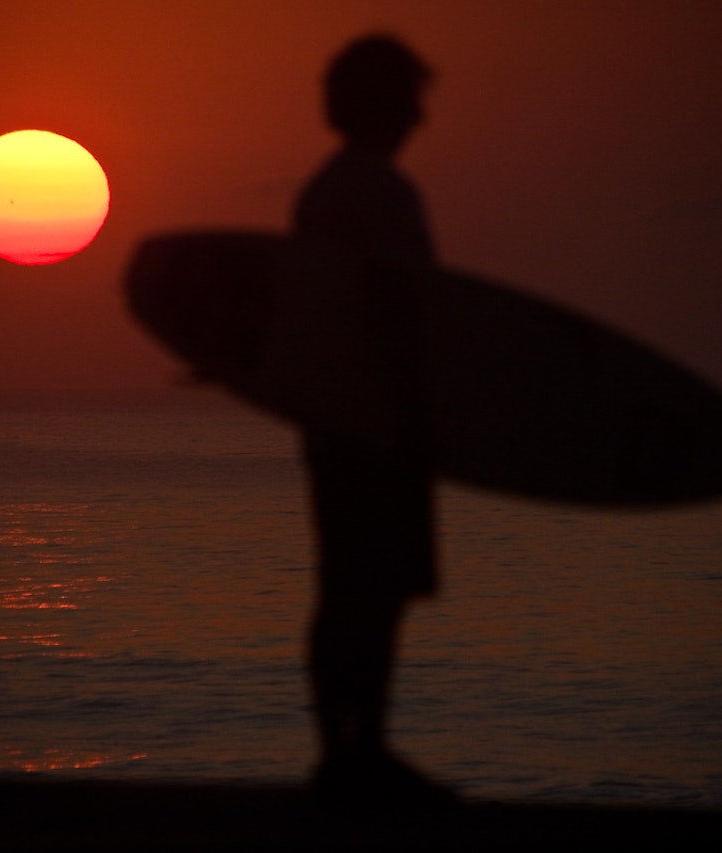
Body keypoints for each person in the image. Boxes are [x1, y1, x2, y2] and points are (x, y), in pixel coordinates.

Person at [292, 35, 453, 810]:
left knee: (346, 588)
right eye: (413, 96)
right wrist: (416, 418)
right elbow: (395, 313)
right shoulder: (382, 193)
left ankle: (342, 753)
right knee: (373, 590)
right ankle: (362, 755)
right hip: (376, 427)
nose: (422, 114)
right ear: (389, 103)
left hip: (331, 424)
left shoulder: (320, 192)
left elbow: (303, 316)